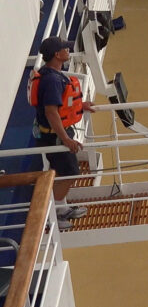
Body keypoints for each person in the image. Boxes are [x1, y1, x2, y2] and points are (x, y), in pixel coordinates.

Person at [30, 36, 95, 230]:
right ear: (57, 55)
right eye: (65, 49)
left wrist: (80, 106)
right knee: (70, 172)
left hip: (55, 133)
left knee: (64, 172)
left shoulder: (52, 73)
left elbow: (61, 104)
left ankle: (62, 207)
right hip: (54, 135)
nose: (68, 50)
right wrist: (65, 139)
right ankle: (56, 214)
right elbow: (51, 111)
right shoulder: (52, 80)